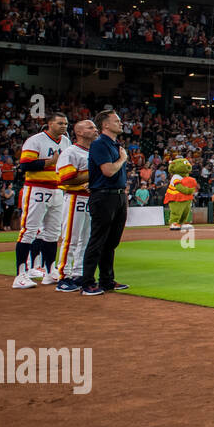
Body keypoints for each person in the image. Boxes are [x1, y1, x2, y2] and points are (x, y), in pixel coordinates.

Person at [13, 112, 70, 287]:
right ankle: (20, 275)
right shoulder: (35, 140)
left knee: (53, 232)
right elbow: (25, 165)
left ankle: (49, 270)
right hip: (37, 188)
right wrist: (49, 162)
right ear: (50, 124)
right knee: (29, 230)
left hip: (56, 190)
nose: (64, 126)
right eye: (60, 123)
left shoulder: (66, 141)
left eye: (66, 124)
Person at [80, 109, 130, 296]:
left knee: (111, 242)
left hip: (117, 195)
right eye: (117, 121)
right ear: (106, 124)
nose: (121, 123)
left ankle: (107, 280)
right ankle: (87, 282)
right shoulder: (100, 144)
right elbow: (108, 171)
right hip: (103, 196)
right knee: (98, 240)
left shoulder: (114, 144)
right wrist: (122, 158)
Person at [54, 118, 97, 291]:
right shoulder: (71, 152)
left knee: (86, 239)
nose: (95, 130)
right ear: (79, 132)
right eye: (90, 127)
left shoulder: (94, 151)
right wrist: (88, 180)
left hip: (90, 199)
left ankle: (79, 273)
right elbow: (63, 179)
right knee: (70, 238)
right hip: (74, 198)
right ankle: (63, 276)